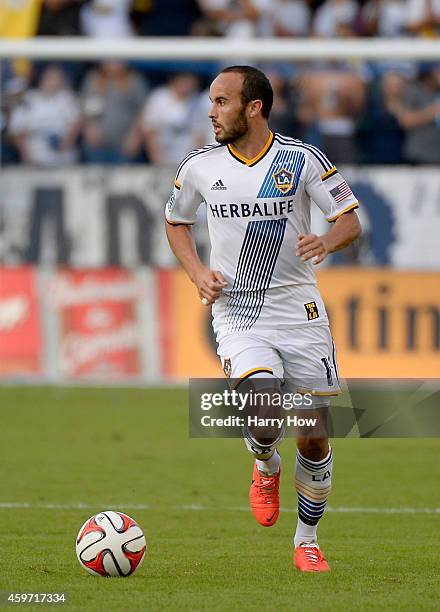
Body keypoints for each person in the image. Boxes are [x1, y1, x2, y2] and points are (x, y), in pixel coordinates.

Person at [165, 66, 361, 572]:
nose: (211, 111)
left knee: (314, 437)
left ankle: (307, 540)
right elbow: (176, 222)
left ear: (253, 108)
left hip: (301, 313)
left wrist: (326, 239)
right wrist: (195, 272)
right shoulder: (199, 167)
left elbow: (349, 220)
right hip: (238, 311)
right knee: (265, 407)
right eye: (211, 101)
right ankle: (264, 462)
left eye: (222, 101)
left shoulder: (301, 159)